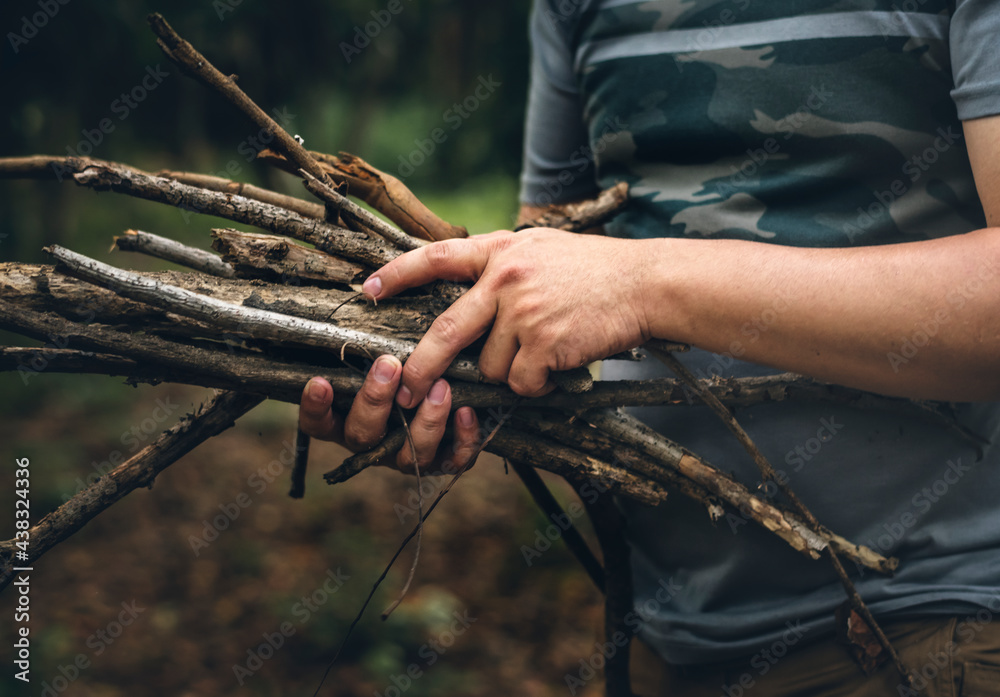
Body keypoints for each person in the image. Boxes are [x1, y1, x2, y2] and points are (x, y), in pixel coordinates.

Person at [300, 1, 1000, 694]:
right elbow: (556, 287)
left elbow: (615, 281)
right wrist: (423, 382)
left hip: (932, 627)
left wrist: (644, 283)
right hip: (660, 639)